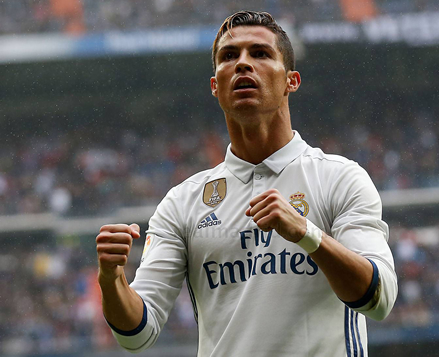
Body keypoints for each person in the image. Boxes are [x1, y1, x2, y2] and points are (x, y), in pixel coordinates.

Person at [96, 10, 397, 356]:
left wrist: (307, 234)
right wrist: (111, 278)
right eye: (229, 56)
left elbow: (380, 298)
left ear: (291, 81)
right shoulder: (182, 202)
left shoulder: (340, 178)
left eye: (260, 53)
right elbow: (137, 333)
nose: (242, 64)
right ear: (215, 87)